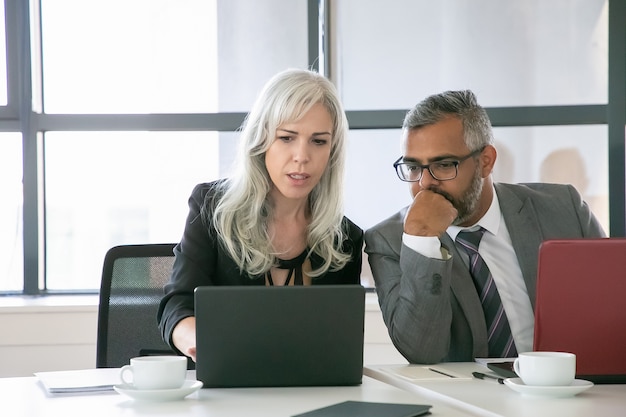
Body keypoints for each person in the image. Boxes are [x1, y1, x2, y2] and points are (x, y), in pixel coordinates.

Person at [364, 90, 605, 364]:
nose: (425, 184)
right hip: (467, 404)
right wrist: (422, 240)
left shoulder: (563, 208)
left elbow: (612, 304)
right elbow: (421, 351)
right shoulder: (389, 240)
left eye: (443, 165)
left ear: (486, 161)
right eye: (413, 168)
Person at [158, 69, 363, 362]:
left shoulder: (345, 238)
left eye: (318, 141)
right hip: (226, 391)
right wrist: (197, 340)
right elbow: (176, 305)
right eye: (287, 138)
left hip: (310, 392)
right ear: (261, 140)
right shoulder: (212, 208)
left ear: (333, 151)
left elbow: (341, 343)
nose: (302, 156)